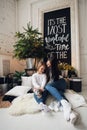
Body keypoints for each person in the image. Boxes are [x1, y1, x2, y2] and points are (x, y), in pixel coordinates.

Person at [45, 55, 79, 124]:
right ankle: (72, 114)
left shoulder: (54, 69)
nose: (47, 64)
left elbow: (53, 81)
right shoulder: (48, 70)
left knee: (48, 87)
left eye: (49, 63)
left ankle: (63, 102)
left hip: (61, 83)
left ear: (52, 63)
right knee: (59, 93)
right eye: (47, 63)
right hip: (57, 86)